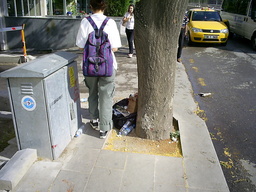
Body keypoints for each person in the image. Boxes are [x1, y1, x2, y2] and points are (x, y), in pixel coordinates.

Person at [76, 0, 121, 139]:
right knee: (106, 96)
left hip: (90, 66)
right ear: (104, 6)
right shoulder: (111, 22)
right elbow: (115, 48)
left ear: (91, 6)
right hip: (107, 66)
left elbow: (80, 45)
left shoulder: (85, 22)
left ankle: (94, 119)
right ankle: (104, 128)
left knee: (92, 92)